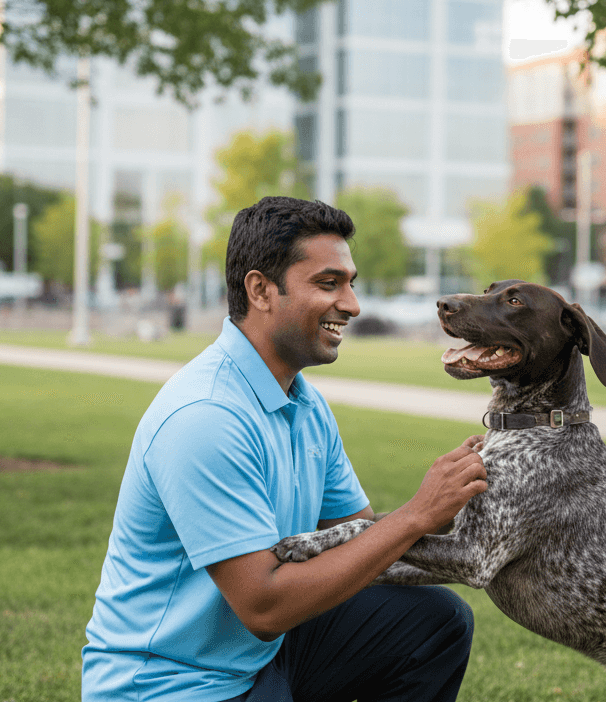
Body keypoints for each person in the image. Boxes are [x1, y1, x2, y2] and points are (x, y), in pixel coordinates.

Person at [82, 195, 488, 701]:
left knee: (435, 622)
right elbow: (264, 607)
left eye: (350, 284)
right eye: (328, 283)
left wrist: (457, 504)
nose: (352, 305)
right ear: (260, 290)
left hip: (258, 664)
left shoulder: (304, 404)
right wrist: (414, 516)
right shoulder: (205, 417)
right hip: (175, 684)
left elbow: (362, 547)